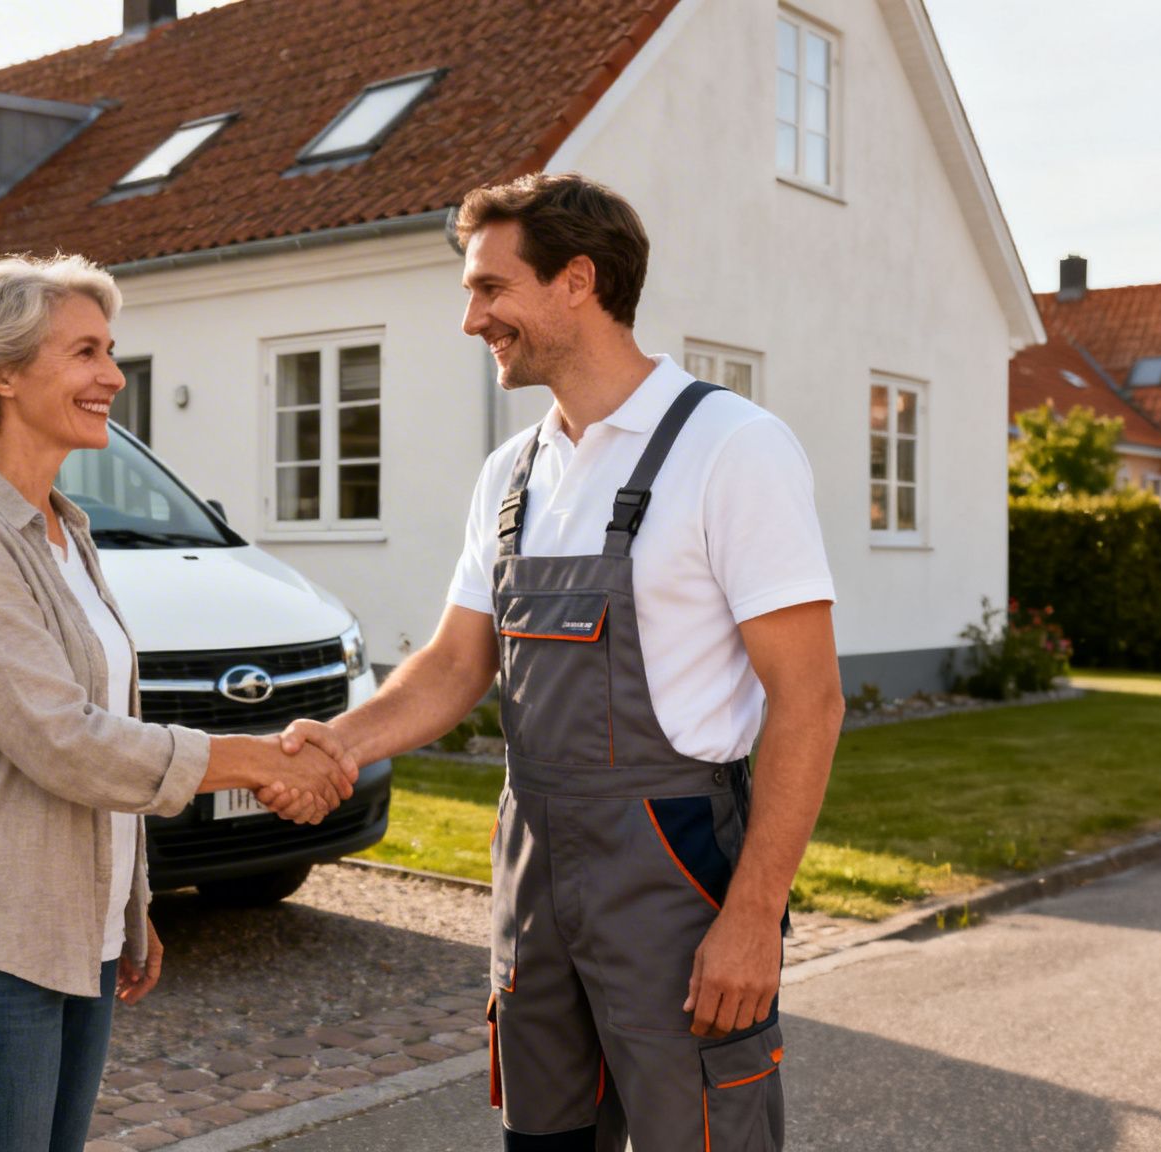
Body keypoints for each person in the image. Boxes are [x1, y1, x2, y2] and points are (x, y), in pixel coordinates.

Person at [284, 174, 842, 1151]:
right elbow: (455, 666)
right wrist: (337, 743)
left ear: (576, 281)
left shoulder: (731, 448)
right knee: (542, 1137)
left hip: (673, 864)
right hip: (532, 861)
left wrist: (754, 917)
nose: (471, 319)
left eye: (490, 288)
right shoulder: (511, 474)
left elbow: (810, 701)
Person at [0, 253, 357, 1152]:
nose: (112, 376)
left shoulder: (64, 530)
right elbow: (63, 741)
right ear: (2, 373)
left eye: (110, 350)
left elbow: (109, 727)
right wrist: (256, 760)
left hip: (79, 933)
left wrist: (128, 904)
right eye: (85, 352)